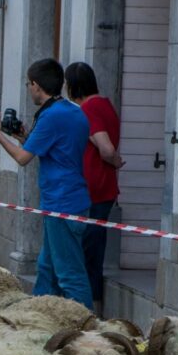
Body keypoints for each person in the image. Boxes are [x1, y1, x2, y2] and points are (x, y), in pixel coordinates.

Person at [0, 58, 93, 309]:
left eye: (28, 84)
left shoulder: (51, 116)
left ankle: (86, 327)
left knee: (69, 274)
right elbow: (56, 149)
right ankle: (37, 317)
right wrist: (24, 136)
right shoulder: (72, 111)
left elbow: (23, 158)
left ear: (36, 85)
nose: (28, 89)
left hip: (62, 202)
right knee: (47, 268)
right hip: (67, 199)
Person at [65, 61, 124, 314]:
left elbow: (106, 148)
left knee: (86, 254)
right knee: (94, 252)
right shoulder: (107, 105)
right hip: (105, 189)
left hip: (93, 190)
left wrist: (115, 160)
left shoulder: (88, 108)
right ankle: (93, 309)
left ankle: (89, 311)